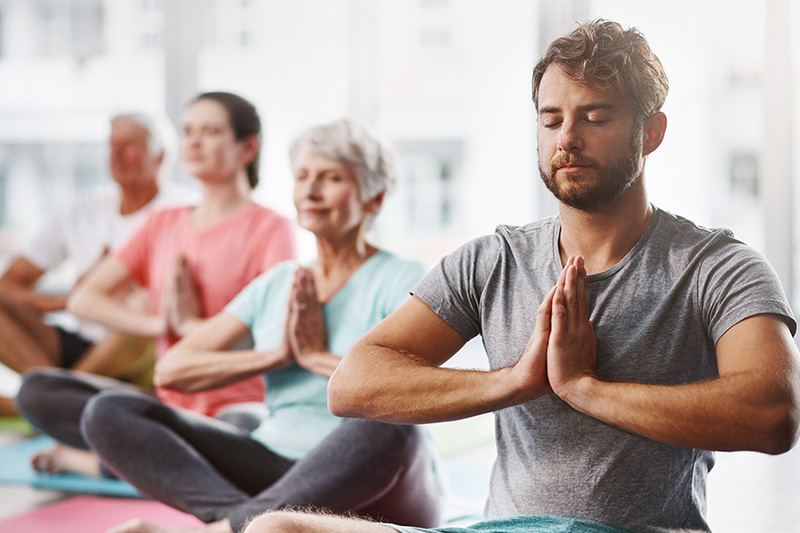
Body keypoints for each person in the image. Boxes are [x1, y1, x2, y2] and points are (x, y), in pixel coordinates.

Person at [241, 19, 800, 533]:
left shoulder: (718, 266)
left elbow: (774, 414)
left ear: (651, 132)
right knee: (275, 529)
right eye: (551, 119)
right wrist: (514, 382)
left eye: (595, 117)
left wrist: (584, 388)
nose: (567, 138)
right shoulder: (494, 260)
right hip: (501, 529)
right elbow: (353, 385)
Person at [79, 118, 441, 533]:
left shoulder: (406, 277)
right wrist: (274, 357)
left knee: (389, 428)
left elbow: (410, 391)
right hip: (275, 468)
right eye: (302, 176)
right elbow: (172, 370)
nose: (310, 190)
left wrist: (316, 357)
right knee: (109, 411)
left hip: (376, 483)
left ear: (374, 198)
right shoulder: (278, 282)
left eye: (331, 178)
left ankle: (221, 528)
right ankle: (238, 523)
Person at [16, 91, 296, 477]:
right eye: (189, 131)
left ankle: (97, 462)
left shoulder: (272, 227)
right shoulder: (163, 222)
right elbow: (84, 299)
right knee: (38, 390)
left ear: (247, 148)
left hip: (238, 408)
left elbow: (275, 334)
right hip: (167, 404)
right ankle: (157, 456)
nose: (194, 142)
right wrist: (160, 323)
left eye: (211, 131)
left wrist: (190, 326)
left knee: (240, 441)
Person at [0, 113, 177, 415]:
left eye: (129, 145)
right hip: (82, 341)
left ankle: (47, 401)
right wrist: (65, 300)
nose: (116, 155)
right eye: (112, 145)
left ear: (160, 155)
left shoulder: (178, 211)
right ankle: (57, 398)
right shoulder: (84, 207)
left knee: (143, 303)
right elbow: (10, 283)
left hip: (139, 350)